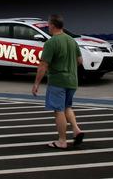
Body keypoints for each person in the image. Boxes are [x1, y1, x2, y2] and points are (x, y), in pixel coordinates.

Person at [32, 14, 85, 150]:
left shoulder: (51, 42)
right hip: (72, 80)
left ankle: (62, 140)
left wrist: (36, 83)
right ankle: (76, 129)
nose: (47, 27)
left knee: (58, 110)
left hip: (58, 81)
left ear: (53, 26)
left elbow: (43, 65)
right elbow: (80, 61)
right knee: (67, 106)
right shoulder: (72, 41)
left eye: (48, 25)